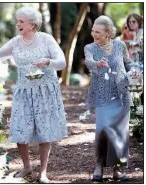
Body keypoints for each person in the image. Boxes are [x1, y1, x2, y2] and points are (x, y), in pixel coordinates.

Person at [0, 6, 67, 183]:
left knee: (45, 130)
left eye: (21, 21)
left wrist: (48, 62)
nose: (17, 23)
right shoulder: (15, 42)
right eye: (18, 20)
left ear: (32, 25)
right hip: (24, 91)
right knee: (20, 128)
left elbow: (62, 63)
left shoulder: (46, 39)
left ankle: (43, 172)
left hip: (45, 91)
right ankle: (27, 167)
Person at [84, 15, 138, 182]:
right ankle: (99, 163)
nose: (94, 34)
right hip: (102, 94)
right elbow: (89, 61)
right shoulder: (90, 47)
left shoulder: (120, 45)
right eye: (93, 31)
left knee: (120, 132)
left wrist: (134, 70)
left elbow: (127, 63)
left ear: (108, 33)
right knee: (103, 128)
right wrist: (97, 64)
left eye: (98, 32)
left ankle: (118, 169)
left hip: (121, 93)